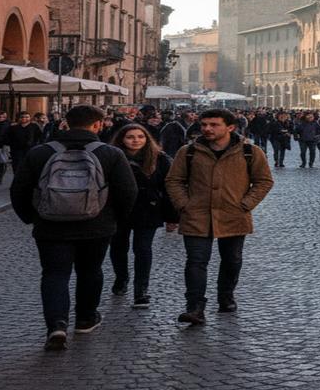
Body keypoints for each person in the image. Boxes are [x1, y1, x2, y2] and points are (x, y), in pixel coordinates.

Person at [9, 105, 138, 351]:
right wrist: (115, 219)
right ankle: (85, 319)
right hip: (97, 225)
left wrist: (31, 217)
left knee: (55, 274)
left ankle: (57, 324)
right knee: (90, 270)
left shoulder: (40, 152)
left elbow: (19, 189)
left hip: (50, 225)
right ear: (98, 124)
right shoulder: (110, 153)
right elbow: (128, 191)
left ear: (65, 123)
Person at [166, 108, 274, 326]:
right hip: (197, 215)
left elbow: (264, 181)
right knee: (196, 262)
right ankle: (195, 307)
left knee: (232, 260)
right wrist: (184, 204)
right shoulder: (188, 152)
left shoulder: (250, 151)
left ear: (230, 127)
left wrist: (245, 204)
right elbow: (174, 180)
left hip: (233, 213)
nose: (207, 128)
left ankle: (226, 295)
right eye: (204, 124)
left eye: (214, 125)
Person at [108, 123, 178, 308]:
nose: (136, 140)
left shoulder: (160, 158)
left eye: (140, 136)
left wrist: (172, 217)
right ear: (122, 139)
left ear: (147, 139)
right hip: (118, 210)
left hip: (148, 209)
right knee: (118, 247)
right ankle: (121, 278)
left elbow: (169, 187)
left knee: (143, 250)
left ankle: (141, 290)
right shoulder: (112, 157)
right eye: (130, 137)